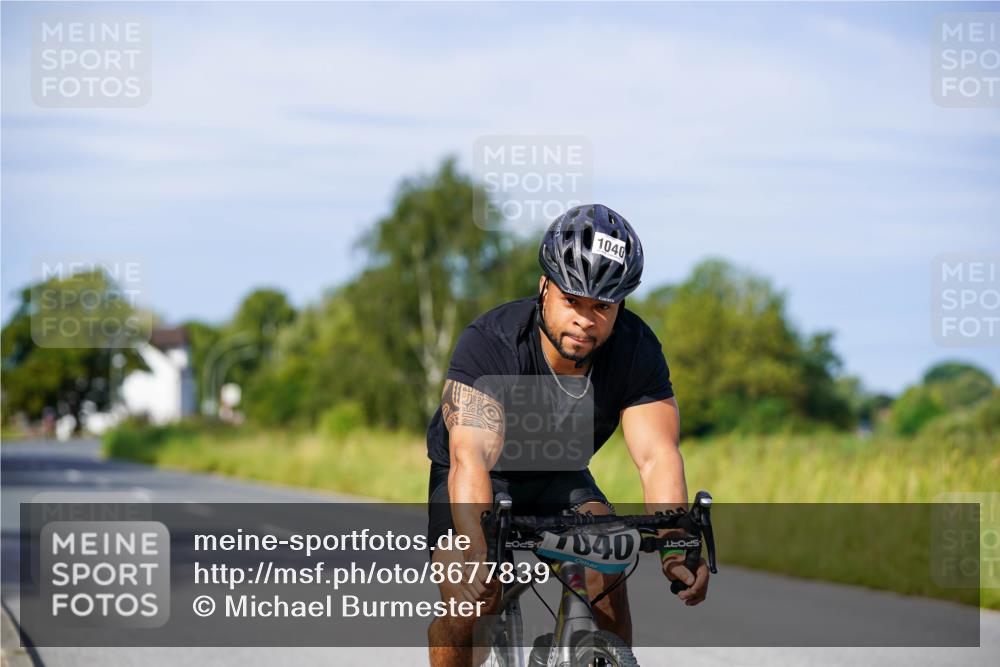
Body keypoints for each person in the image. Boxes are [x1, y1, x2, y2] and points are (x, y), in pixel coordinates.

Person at [425, 204, 709, 667]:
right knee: (473, 602)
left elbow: (657, 457)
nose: (584, 319)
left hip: (560, 473)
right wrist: (477, 551)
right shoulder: (492, 343)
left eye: (602, 306)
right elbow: (469, 459)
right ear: (544, 288)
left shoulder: (637, 350)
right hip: (481, 476)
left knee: (608, 572)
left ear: (621, 306)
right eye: (571, 300)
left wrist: (677, 546)